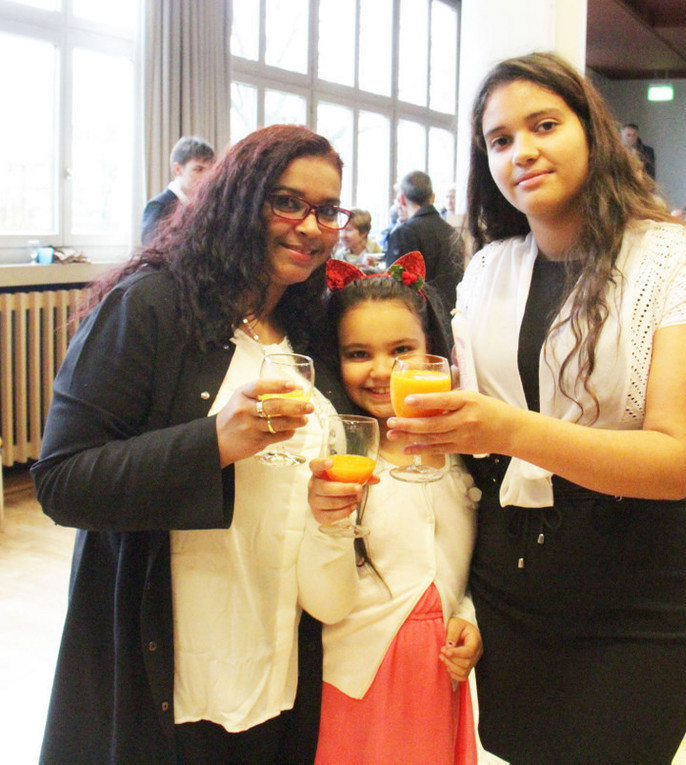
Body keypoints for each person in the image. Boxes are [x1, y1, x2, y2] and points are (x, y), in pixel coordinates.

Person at [387, 52, 686, 762]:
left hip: (637, 584)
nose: (522, 151)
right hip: (510, 581)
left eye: (544, 125)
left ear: (592, 132)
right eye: (500, 139)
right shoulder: (489, 268)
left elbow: (677, 463)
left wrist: (509, 429)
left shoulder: (678, 260)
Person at [32, 125, 355, 764]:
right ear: (238, 200)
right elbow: (63, 481)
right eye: (287, 202)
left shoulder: (305, 322)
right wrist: (213, 443)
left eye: (326, 210)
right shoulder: (149, 307)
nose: (310, 227)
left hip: (279, 645)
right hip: (176, 660)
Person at [298, 253, 482, 764]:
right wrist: (329, 524)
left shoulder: (464, 456)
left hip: (438, 678)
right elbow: (325, 603)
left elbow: (463, 570)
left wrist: (468, 618)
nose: (382, 371)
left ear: (433, 352)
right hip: (358, 682)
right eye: (359, 353)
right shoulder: (337, 458)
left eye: (402, 350)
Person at [385, 170, 465, 313]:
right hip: (451, 318)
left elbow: (393, 289)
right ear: (432, 197)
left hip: (418, 319)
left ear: (402, 199)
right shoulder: (452, 233)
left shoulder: (404, 233)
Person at [141, 135, 216, 244]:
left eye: (209, 170)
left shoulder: (207, 206)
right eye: (199, 169)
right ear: (177, 169)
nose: (206, 176)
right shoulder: (158, 206)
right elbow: (153, 250)